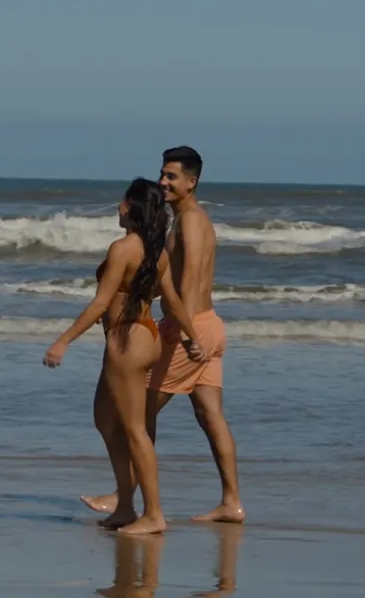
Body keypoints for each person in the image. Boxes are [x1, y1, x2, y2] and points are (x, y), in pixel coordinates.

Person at [85, 146, 245, 524]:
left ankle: (128, 498)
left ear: (193, 182)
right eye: (162, 175)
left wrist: (177, 327)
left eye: (172, 177)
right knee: (211, 415)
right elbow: (170, 281)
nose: (164, 182)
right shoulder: (198, 220)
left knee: (136, 413)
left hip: (190, 326)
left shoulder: (187, 222)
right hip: (210, 324)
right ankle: (231, 502)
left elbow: (186, 280)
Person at [42, 177, 181, 535]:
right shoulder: (157, 252)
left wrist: (64, 340)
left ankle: (153, 514)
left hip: (127, 342)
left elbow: (101, 303)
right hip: (143, 337)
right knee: (105, 418)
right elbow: (172, 300)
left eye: (122, 201)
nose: (118, 207)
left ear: (133, 207)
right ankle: (125, 507)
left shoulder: (123, 248)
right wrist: (193, 339)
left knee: (135, 430)